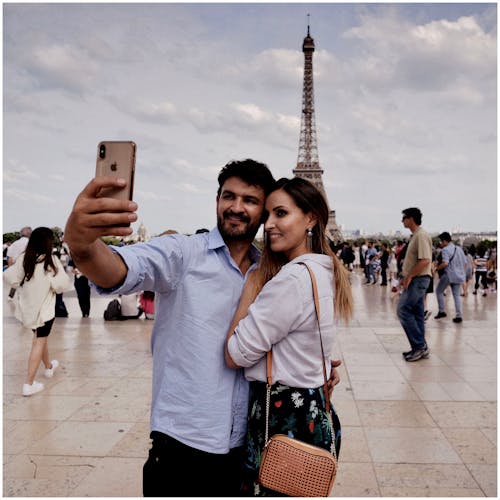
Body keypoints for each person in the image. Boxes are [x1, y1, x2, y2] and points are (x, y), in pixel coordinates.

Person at [64, 159, 341, 496]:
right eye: (229, 196)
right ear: (217, 201)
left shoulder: (270, 273)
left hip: (247, 447)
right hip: (183, 445)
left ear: (263, 211)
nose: (237, 207)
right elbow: (119, 269)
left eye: (251, 201)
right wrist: (82, 246)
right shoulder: (183, 254)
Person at [224, 177, 353, 495]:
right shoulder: (324, 271)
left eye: (281, 213)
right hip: (311, 412)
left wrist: (252, 287)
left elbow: (234, 354)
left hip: (281, 417)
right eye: (267, 215)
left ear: (311, 218)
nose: (268, 225)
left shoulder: (291, 279)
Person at [3, 227, 71, 396]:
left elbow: (9, 277)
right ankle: (29, 384)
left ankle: (48, 367)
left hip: (29, 309)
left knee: (40, 338)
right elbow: (62, 285)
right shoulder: (51, 261)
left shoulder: (24, 259)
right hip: (44, 310)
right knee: (38, 342)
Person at [397, 208, 433, 362]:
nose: (402, 220)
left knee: (403, 310)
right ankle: (421, 347)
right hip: (417, 278)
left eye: (404, 218)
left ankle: (419, 346)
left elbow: (425, 260)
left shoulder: (421, 235)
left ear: (411, 219)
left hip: (418, 279)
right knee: (417, 315)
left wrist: (409, 276)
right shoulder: (416, 236)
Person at [434, 232, 467, 323]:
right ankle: (459, 316)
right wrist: (460, 272)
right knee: (456, 295)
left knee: (439, 291)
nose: (440, 243)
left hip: (449, 274)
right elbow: (465, 263)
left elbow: (445, 263)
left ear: (445, 241)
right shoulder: (459, 249)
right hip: (459, 275)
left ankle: (442, 311)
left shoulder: (445, 250)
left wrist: (437, 268)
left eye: (441, 241)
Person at [6, 226, 32, 299]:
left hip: (15, 267)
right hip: (27, 267)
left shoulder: (14, 243)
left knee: (15, 282)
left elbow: (10, 258)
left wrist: (10, 268)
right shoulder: (31, 243)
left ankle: (11, 296)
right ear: (30, 234)